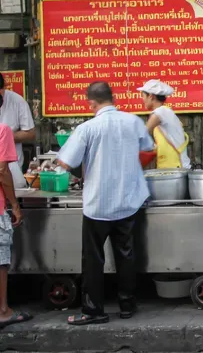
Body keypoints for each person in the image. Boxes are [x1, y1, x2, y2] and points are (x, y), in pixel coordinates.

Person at [56, 82, 154, 325]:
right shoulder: (133, 121)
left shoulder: (87, 128)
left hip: (97, 204)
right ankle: (127, 305)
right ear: (114, 97)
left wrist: (86, 170)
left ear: (91, 102)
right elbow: (149, 149)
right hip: (128, 201)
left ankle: (93, 311)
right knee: (126, 254)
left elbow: (66, 162)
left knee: (93, 259)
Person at [0, 123, 31, 329]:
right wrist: (14, 205)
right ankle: (3, 311)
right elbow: (2, 171)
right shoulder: (2, 130)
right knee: (0, 259)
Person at [137, 79, 191, 169]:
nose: (143, 100)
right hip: (169, 170)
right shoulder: (164, 113)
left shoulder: (161, 112)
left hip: (177, 170)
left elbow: (142, 133)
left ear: (151, 96)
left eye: (143, 96)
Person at [0, 76, 36, 189]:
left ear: (4, 86)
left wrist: (5, 136)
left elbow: (30, 133)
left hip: (11, 167)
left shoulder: (17, 101)